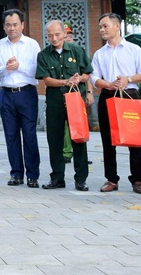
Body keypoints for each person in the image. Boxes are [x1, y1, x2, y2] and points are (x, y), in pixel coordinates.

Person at [90, 12, 141, 194]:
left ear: (117, 26)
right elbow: (93, 77)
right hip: (107, 96)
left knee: (134, 139)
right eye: (100, 27)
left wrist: (127, 79)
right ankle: (111, 179)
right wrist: (107, 83)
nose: (102, 30)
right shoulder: (99, 54)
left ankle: (137, 179)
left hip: (129, 96)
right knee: (108, 139)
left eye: (105, 26)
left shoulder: (134, 49)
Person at [36, 20, 92, 191]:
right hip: (55, 102)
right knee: (55, 140)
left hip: (75, 101)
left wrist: (79, 79)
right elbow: (46, 80)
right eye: (50, 35)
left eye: (57, 34)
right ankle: (57, 178)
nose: (54, 38)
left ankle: (80, 179)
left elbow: (87, 74)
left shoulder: (76, 50)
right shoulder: (44, 55)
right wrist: (66, 81)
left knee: (78, 139)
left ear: (64, 34)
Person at [0, 9, 41, 188]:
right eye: (8, 25)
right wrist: (6, 68)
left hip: (27, 93)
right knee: (10, 135)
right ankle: (16, 173)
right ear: (4, 27)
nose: (11, 28)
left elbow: (38, 70)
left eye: (15, 24)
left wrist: (19, 67)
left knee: (29, 134)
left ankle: (33, 175)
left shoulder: (32, 44)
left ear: (22, 25)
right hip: (6, 93)